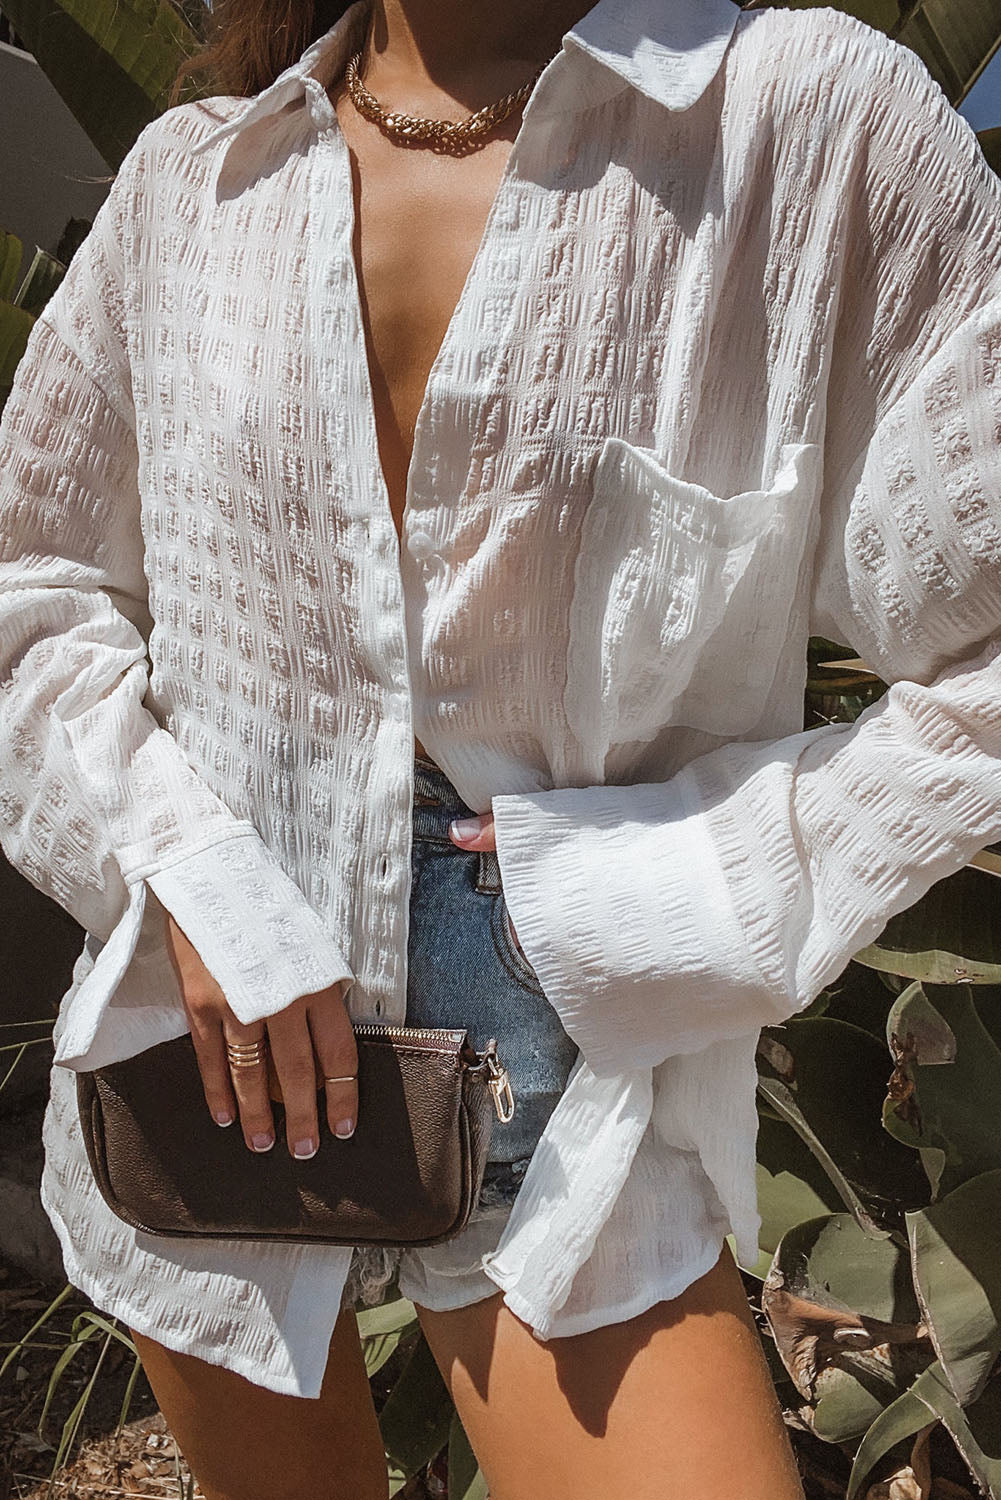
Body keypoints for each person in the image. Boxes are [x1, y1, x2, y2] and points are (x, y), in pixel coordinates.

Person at [3, 0, 1001, 1493]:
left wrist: (670, 893)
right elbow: (32, 587)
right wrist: (180, 869)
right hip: (207, 1040)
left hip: (575, 1073)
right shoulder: (193, 181)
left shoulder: (802, 123)